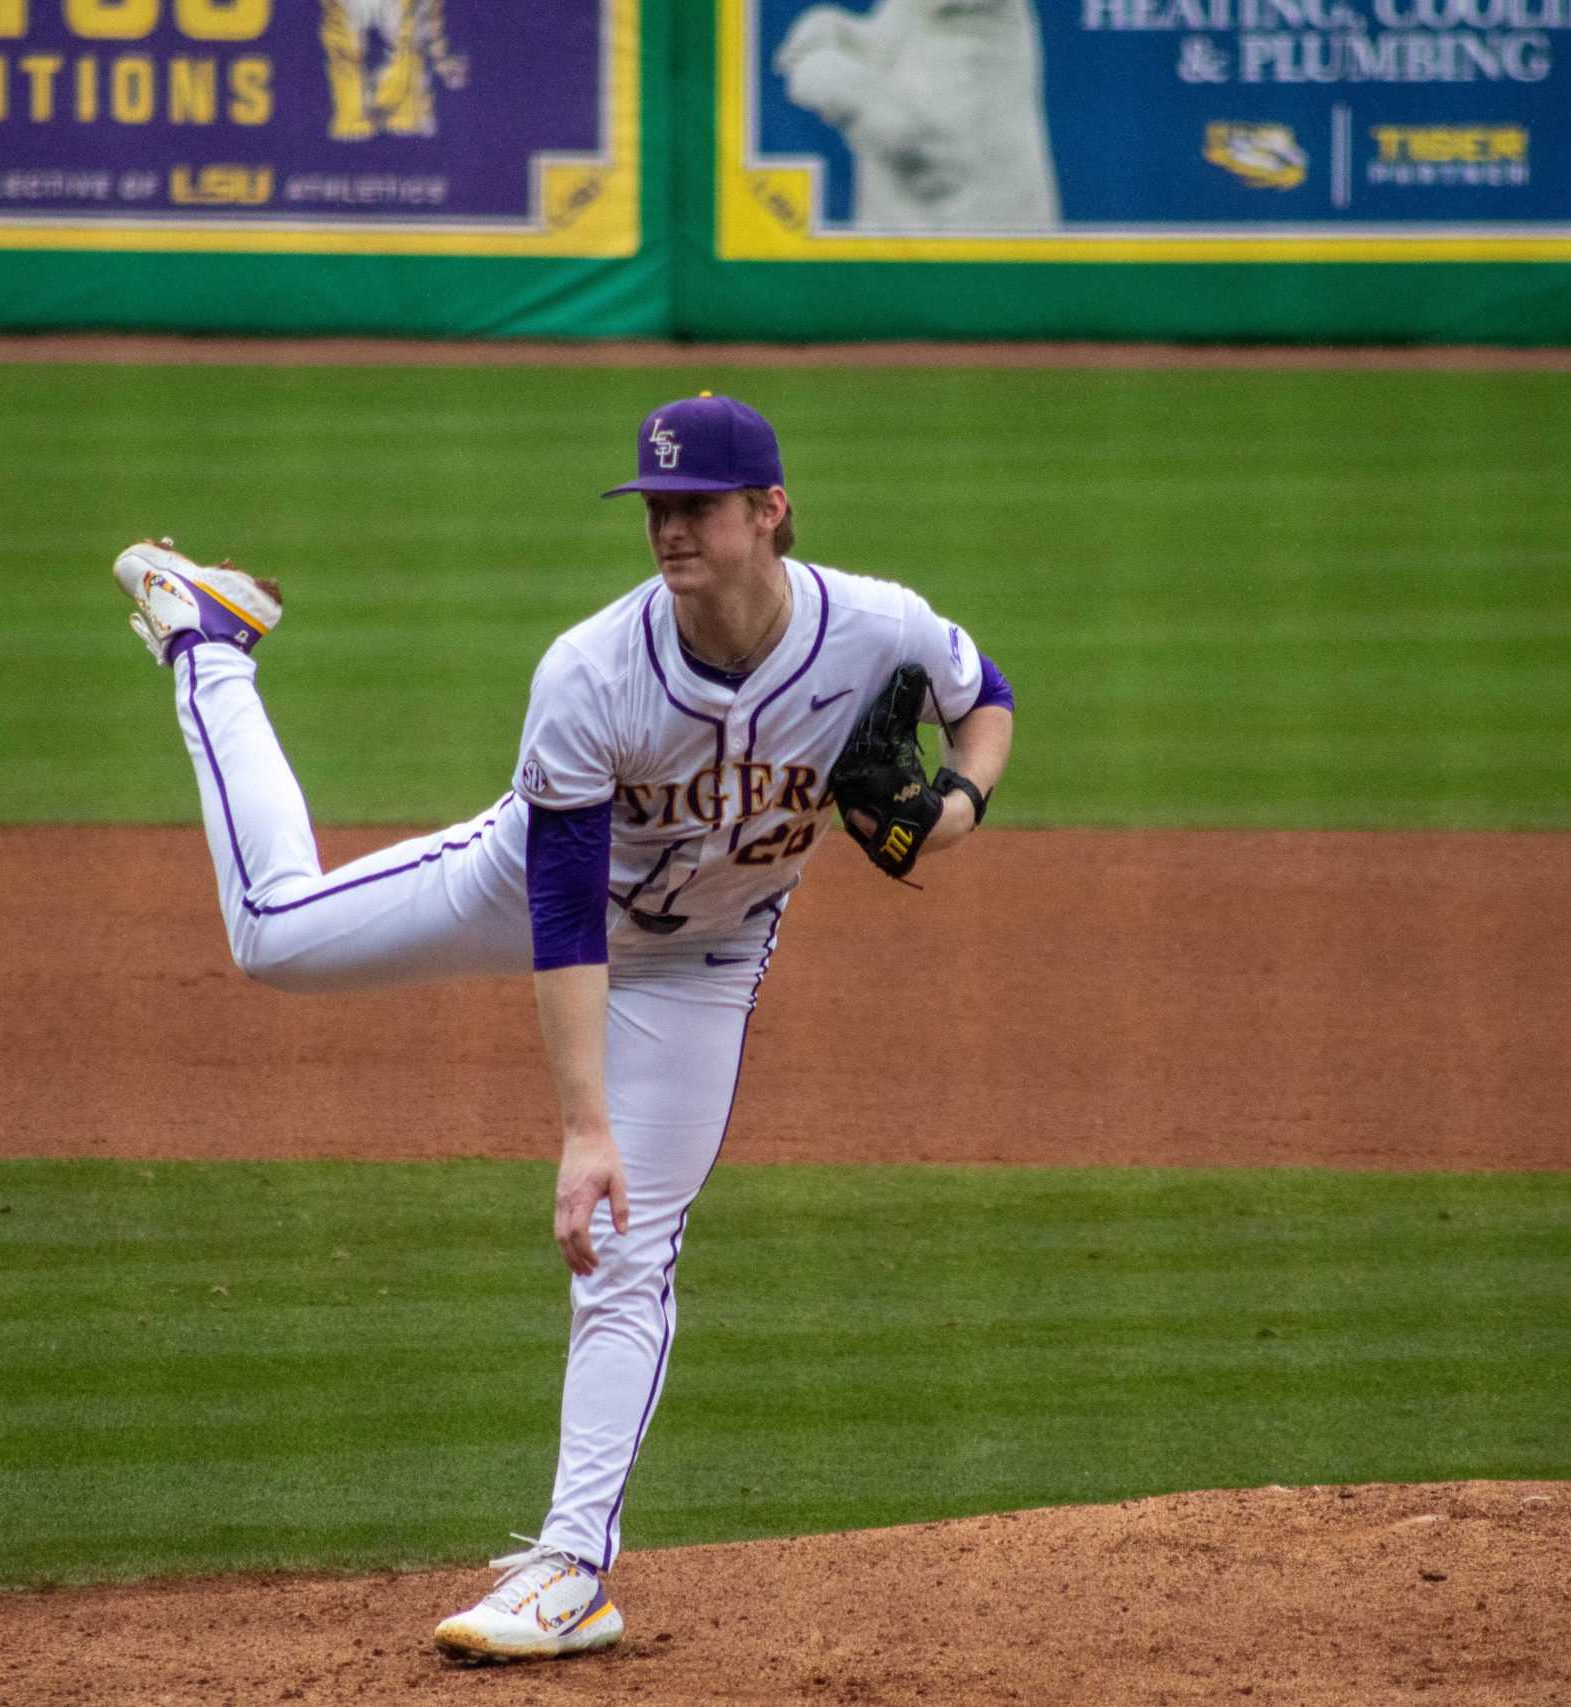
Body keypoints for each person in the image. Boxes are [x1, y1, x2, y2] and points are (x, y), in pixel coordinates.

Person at [111, 393, 1016, 1663]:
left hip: (705, 960)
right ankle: (210, 643)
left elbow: (986, 696)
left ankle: (571, 1565)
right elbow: (562, 918)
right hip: (528, 894)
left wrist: (959, 807)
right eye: (654, 508)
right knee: (270, 935)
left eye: (696, 506)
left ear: (770, 511)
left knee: (632, 1254)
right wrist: (585, 1126)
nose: (669, 530)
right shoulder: (592, 671)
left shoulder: (877, 629)